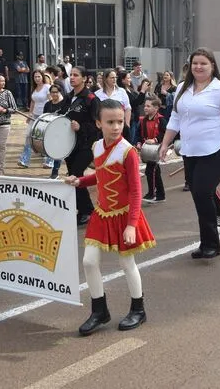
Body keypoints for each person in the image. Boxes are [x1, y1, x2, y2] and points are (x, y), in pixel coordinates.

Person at [158, 48, 220, 259]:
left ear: (212, 66)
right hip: (190, 151)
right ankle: (206, 242)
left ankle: (212, 244)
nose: (198, 67)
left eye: (203, 63)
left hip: (216, 150)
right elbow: (175, 120)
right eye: (195, 63)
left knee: (203, 192)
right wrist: (164, 144)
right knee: (198, 195)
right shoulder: (183, 89)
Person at [65, 99, 155, 334]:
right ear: (98, 123)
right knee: (89, 261)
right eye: (110, 122)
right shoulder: (96, 147)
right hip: (102, 213)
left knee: (127, 262)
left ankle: (138, 309)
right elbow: (100, 177)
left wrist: (131, 225)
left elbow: (136, 191)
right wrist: (79, 181)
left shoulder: (128, 151)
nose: (116, 127)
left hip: (125, 215)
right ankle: (99, 310)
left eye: (119, 121)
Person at [64, 66, 100, 225]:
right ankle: (83, 209)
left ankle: (87, 210)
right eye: (71, 75)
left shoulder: (91, 99)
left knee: (77, 174)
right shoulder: (68, 97)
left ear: (84, 79)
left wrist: (81, 127)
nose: (72, 78)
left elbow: (98, 124)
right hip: (70, 144)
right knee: (72, 175)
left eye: (76, 75)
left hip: (87, 145)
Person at [19, 70, 51, 168]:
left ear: (42, 77)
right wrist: (30, 114)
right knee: (28, 136)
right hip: (34, 116)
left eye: (38, 76)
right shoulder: (34, 88)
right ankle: (24, 160)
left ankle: (49, 161)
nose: (37, 79)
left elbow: (51, 101)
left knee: (46, 138)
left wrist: (50, 115)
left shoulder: (47, 87)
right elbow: (33, 102)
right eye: (35, 77)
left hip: (45, 117)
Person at [138, 95, 166, 203]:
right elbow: (138, 133)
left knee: (150, 171)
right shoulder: (143, 120)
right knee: (155, 171)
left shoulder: (161, 120)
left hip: (157, 149)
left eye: (148, 106)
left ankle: (152, 194)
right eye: (145, 106)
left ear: (156, 108)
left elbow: (165, 133)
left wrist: (155, 139)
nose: (145, 108)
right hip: (148, 150)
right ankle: (161, 195)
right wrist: (139, 142)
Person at [43, 83, 67, 178]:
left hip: (61, 131)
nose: (54, 94)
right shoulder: (47, 104)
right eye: (52, 92)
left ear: (60, 92)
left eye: (56, 92)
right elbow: (44, 117)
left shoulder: (64, 104)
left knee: (59, 151)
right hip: (50, 131)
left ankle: (55, 172)